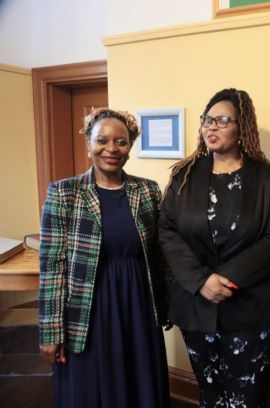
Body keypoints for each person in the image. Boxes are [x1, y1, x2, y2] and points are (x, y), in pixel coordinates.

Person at [159, 88, 270, 407]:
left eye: (223, 119)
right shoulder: (185, 175)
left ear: (241, 126)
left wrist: (225, 279)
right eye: (207, 119)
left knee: (246, 397)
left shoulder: (267, 178)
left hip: (251, 306)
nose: (211, 127)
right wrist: (202, 280)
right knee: (210, 393)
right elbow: (167, 229)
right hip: (197, 305)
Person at [38, 108, 171, 407]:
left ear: (130, 146)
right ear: (89, 144)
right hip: (87, 311)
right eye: (102, 140)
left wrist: (169, 306)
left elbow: (161, 255)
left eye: (121, 142)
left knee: (140, 383)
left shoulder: (148, 191)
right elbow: (52, 267)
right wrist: (50, 330)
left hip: (138, 306)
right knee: (90, 389)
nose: (111, 149)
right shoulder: (64, 193)